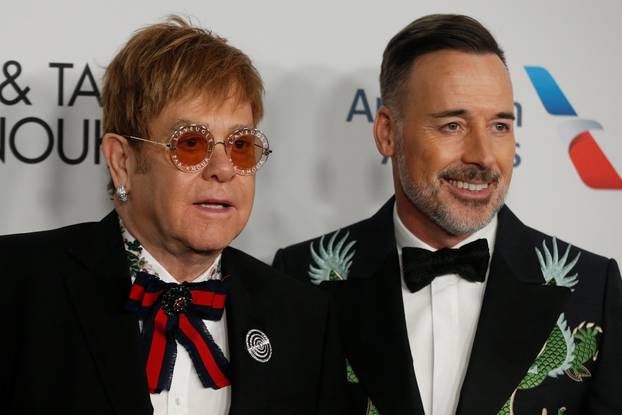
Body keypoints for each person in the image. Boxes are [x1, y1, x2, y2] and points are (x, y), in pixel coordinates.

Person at [273, 14, 622, 415]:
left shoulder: (592, 290)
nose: (483, 156)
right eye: (453, 125)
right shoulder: (300, 279)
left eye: (500, 126)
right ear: (388, 132)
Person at [0, 16, 345, 415]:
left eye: (241, 145)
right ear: (122, 161)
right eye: (192, 143)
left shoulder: (303, 320)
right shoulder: (16, 285)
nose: (224, 169)